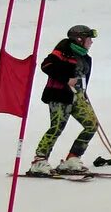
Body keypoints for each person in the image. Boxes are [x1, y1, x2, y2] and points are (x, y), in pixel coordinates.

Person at [29, 24, 100, 175]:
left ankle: (72, 158)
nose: (91, 42)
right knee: (57, 126)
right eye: (89, 39)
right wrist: (66, 78)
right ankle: (39, 160)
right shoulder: (63, 51)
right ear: (79, 39)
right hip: (59, 95)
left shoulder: (85, 56)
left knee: (91, 124)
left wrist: (83, 92)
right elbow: (46, 65)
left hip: (78, 96)